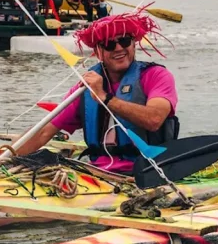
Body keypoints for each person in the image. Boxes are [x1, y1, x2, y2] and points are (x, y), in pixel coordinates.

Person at [11, 12, 178, 174]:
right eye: (109, 44)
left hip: (150, 170)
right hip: (98, 172)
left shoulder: (156, 76)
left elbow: (154, 119)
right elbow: (44, 132)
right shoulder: (85, 87)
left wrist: (105, 98)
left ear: (134, 43)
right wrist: (5, 156)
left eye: (125, 40)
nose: (119, 48)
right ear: (98, 52)